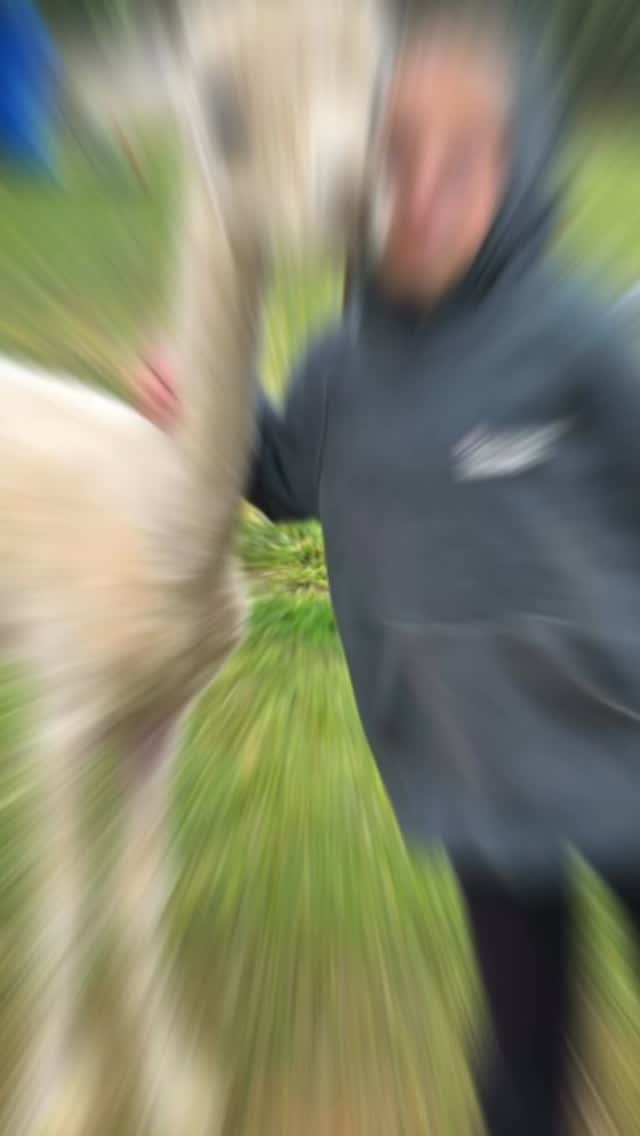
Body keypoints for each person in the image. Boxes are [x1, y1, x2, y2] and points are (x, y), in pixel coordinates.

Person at [133, 10, 640, 1135]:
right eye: (394, 156)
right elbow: (282, 473)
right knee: (523, 1040)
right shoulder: (341, 368)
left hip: (617, 748)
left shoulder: (568, 338)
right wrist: (209, 411)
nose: (422, 191)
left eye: (460, 162)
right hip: (475, 777)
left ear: (515, 171)